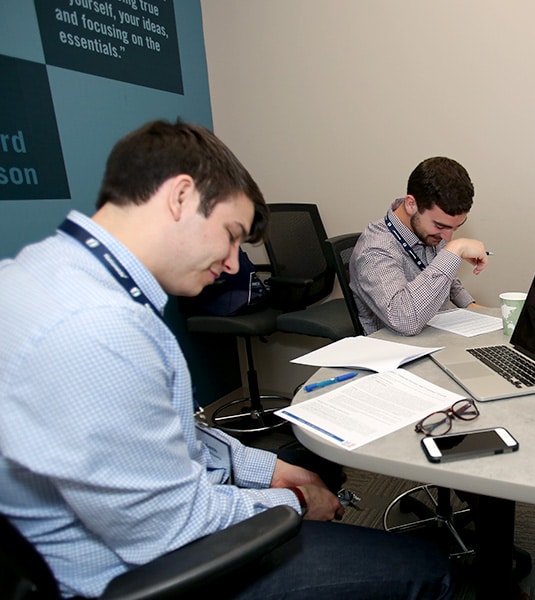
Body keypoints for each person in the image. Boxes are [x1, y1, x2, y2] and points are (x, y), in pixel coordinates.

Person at [0, 120, 452, 599]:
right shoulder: (97, 330)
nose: (235, 264)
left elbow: (174, 436)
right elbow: (174, 528)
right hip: (145, 573)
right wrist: (292, 500)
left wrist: (265, 470)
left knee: (307, 462)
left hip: (146, 527)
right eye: (231, 235)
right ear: (180, 197)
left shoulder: (41, 275)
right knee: (426, 569)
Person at [350, 156, 489, 335]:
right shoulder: (375, 249)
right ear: (411, 204)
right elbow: (404, 320)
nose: (447, 236)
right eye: (440, 226)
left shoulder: (425, 232)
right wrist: (453, 250)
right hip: (399, 349)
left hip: (435, 333)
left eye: (456, 227)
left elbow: (441, 278)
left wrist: (471, 306)